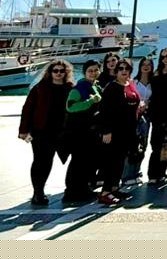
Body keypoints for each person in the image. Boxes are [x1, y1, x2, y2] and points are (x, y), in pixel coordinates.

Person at [19, 59, 74, 205]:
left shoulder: (70, 88)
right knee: (41, 162)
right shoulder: (40, 87)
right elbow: (27, 109)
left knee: (59, 160)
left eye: (62, 71)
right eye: (55, 71)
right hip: (41, 131)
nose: (58, 74)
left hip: (62, 132)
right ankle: (38, 192)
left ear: (66, 72)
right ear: (50, 72)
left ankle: (74, 189)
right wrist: (23, 130)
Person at [97, 59, 140, 205]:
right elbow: (104, 110)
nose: (124, 71)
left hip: (128, 130)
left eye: (127, 68)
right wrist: (106, 131)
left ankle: (115, 188)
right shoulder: (111, 87)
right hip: (114, 131)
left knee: (120, 161)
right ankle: (105, 192)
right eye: (120, 68)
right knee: (111, 162)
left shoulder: (130, 84)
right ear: (116, 71)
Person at [63, 59, 103, 203]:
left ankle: (84, 189)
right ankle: (71, 191)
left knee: (89, 162)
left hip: (92, 132)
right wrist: (91, 102)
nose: (93, 73)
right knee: (78, 162)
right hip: (79, 132)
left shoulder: (96, 86)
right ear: (85, 72)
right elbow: (71, 107)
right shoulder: (78, 88)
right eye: (90, 71)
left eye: (95, 70)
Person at [147, 48, 167, 184]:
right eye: (163, 56)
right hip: (157, 116)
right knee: (155, 146)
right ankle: (153, 175)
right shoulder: (155, 75)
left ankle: (162, 173)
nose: (166, 59)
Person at [122, 56, 153, 186]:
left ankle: (137, 172)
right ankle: (127, 175)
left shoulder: (154, 82)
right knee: (132, 146)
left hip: (148, 116)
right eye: (143, 64)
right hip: (134, 117)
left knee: (143, 145)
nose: (145, 66)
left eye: (148, 64)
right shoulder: (133, 82)